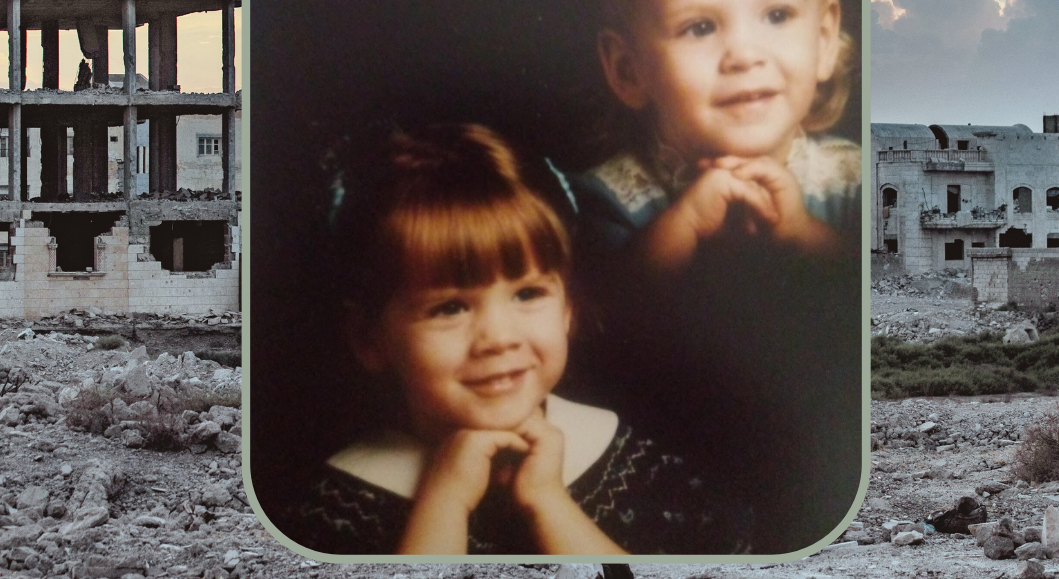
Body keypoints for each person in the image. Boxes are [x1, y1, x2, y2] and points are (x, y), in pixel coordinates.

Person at [562, 0, 862, 552]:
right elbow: (599, 315)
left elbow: (858, 292)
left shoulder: (847, 181)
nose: (745, 54)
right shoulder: (613, 193)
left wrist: (803, 234)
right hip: (658, 447)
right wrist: (683, 226)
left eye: (777, 16)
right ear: (628, 69)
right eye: (701, 27)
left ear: (823, 38)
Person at [283, 123, 750, 555]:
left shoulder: (637, 469)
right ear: (369, 339)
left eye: (528, 294)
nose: (499, 338)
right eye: (450, 307)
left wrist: (548, 504)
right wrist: (442, 502)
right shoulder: (335, 513)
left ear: (567, 308)